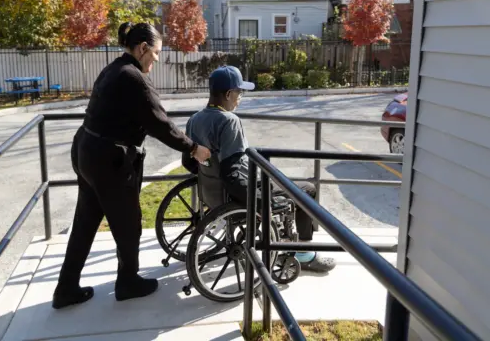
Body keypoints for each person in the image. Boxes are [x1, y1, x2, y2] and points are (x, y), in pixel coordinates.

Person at [52, 22, 211, 309]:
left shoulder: (115, 68)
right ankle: (127, 282)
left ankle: (66, 288)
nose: (157, 59)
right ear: (143, 48)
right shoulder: (133, 78)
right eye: (157, 53)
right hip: (108, 160)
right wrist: (194, 148)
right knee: (128, 224)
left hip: (87, 151)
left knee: (85, 222)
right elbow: (160, 124)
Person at [182, 66, 336, 273]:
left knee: (281, 179)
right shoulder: (229, 121)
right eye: (239, 93)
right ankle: (304, 253)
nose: (240, 98)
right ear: (228, 94)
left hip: (213, 193)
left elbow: (189, 162)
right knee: (307, 189)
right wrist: (261, 203)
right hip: (241, 189)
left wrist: (211, 172)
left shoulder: (194, 119)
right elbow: (233, 173)